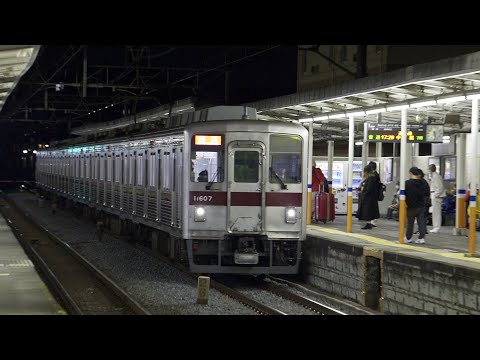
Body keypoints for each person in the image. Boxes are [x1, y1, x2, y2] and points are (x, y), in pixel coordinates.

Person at [404, 167, 430, 244]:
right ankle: (421, 238)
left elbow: (404, 194)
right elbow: (427, 194)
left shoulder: (407, 183)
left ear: (411, 173)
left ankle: (408, 238)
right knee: (421, 223)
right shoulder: (424, 182)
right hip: (421, 206)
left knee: (410, 223)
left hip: (411, 206)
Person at [428, 164, 445, 233]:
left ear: (430, 169)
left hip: (436, 196)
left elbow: (440, 187)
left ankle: (436, 227)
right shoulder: (434, 176)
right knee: (434, 212)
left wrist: (435, 195)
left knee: (436, 212)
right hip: (434, 195)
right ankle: (435, 226)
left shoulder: (436, 177)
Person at [414, 169, 430, 235]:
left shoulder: (421, 182)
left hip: (423, 201)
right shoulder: (424, 181)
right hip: (425, 201)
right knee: (423, 216)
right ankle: (423, 230)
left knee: (421, 217)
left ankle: (422, 230)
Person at [367, 161, 381, 227]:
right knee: (373, 207)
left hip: (372, 194)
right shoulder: (376, 174)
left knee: (372, 207)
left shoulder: (373, 175)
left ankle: (373, 220)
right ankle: (373, 220)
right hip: (375, 194)